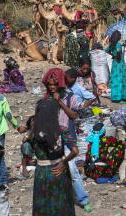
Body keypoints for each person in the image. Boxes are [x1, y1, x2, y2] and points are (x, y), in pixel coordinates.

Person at [42, 68, 93, 212]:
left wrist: (60, 102)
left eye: (54, 84)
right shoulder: (46, 98)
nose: (52, 87)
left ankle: (83, 199)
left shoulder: (70, 96)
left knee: (72, 170)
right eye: (50, 84)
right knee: (52, 170)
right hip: (51, 139)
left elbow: (74, 116)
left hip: (67, 138)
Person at [23, 98, 78, 215]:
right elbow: (75, 151)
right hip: (59, 171)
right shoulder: (62, 130)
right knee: (62, 204)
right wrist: (64, 162)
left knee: (43, 204)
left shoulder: (34, 132)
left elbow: (25, 144)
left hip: (42, 173)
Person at [105, 30, 126, 103]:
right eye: (120, 35)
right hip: (120, 63)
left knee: (115, 79)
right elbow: (118, 51)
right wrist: (118, 56)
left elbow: (107, 50)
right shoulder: (118, 44)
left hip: (114, 63)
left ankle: (116, 97)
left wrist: (113, 55)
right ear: (118, 37)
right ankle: (122, 97)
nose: (120, 37)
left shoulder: (112, 44)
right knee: (121, 79)